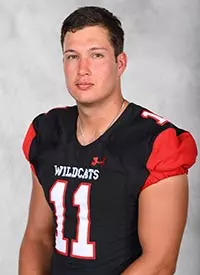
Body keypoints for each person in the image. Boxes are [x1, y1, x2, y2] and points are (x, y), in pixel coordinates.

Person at [19, 6, 198, 275]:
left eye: (97, 55)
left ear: (120, 63)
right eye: (72, 56)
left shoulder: (156, 141)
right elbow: (38, 237)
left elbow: (159, 263)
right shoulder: (47, 132)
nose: (83, 69)